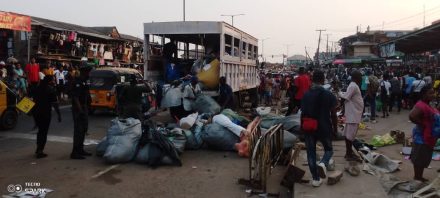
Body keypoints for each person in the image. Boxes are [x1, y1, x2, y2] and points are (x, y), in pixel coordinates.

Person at [301, 70, 338, 187]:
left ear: (312, 80)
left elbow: (303, 113)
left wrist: (302, 127)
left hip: (309, 127)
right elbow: (333, 113)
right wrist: (335, 129)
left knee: (311, 153)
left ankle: (316, 179)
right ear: (323, 80)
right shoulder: (328, 94)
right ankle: (323, 163)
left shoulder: (306, 94)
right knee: (329, 150)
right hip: (324, 126)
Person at [409, 85, 438, 182]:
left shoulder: (427, 104)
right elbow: (412, 116)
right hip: (422, 137)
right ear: (423, 94)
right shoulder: (421, 105)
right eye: (430, 93)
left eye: (433, 92)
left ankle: (419, 177)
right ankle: (417, 177)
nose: (433, 95)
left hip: (427, 137)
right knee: (419, 159)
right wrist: (424, 125)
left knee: (423, 158)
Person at [33, 75, 61, 158]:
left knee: (40, 131)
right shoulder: (50, 89)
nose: (54, 81)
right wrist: (59, 115)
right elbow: (55, 104)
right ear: (49, 81)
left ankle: (38, 148)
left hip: (37, 113)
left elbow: (31, 99)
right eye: (53, 80)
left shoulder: (37, 88)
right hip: (45, 113)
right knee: (43, 132)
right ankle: (40, 151)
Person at [340, 70, 364, 161]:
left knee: (348, 135)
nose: (361, 79)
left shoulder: (353, 85)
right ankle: (349, 154)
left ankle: (348, 153)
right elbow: (345, 97)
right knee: (350, 136)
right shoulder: (353, 86)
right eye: (360, 77)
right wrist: (339, 94)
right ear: (356, 77)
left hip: (353, 114)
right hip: (353, 115)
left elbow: (345, 97)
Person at [70, 65, 93, 159]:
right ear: (84, 72)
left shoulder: (84, 82)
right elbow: (75, 97)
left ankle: (80, 149)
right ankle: (75, 152)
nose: (89, 74)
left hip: (84, 108)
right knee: (78, 131)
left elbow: (87, 95)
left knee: (83, 130)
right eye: (88, 72)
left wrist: (89, 106)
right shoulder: (78, 82)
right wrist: (80, 110)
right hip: (78, 109)